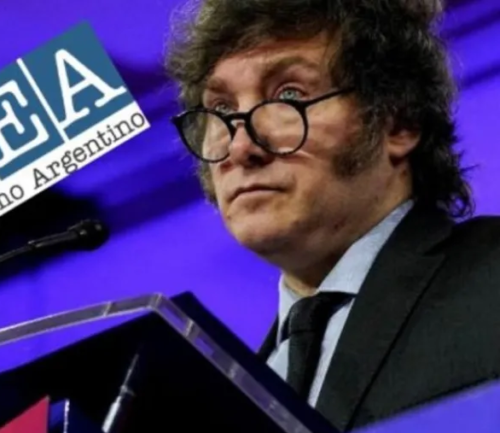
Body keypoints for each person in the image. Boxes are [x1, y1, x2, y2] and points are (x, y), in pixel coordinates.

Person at [164, 0, 500, 431]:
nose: (240, 146)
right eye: (223, 110)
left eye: (289, 96)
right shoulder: (234, 401)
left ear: (399, 122)